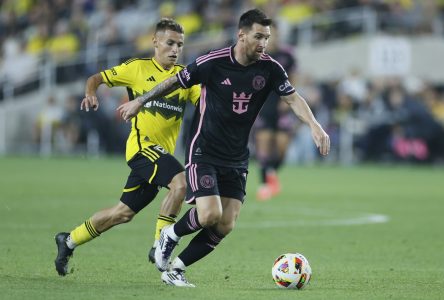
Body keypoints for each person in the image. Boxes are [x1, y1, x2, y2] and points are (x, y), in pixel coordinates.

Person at [117, 9, 330, 287]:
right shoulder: (212, 62)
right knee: (209, 215)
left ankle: (176, 270)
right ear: (241, 35)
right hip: (204, 151)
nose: (263, 43)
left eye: (267, 37)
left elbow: (293, 99)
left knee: (226, 224)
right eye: (258, 36)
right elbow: (173, 82)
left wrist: (315, 125)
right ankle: (170, 235)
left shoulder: (271, 68)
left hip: (237, 157)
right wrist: (140, 101)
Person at [54, 18, 201, 276]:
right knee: (180, 183)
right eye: (169, 43)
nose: (175, 49)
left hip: (160, 156)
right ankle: (160, 246)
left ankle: (68, 240)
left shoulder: (184, 78)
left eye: (179, 44)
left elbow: (206, 104)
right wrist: (91, 93)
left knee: (122, 214)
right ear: (155, 42)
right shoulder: (137, 68)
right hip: (141, 148)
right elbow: (96, 77)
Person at [253, 23, 298, 201]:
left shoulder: (287, 55)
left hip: (282, 105)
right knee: (263, 145)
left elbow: (294, 77)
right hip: (263, 106)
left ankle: (271, 172)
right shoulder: (257, 55)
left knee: (282, 148)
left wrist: (289, 99)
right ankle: (264, 185)